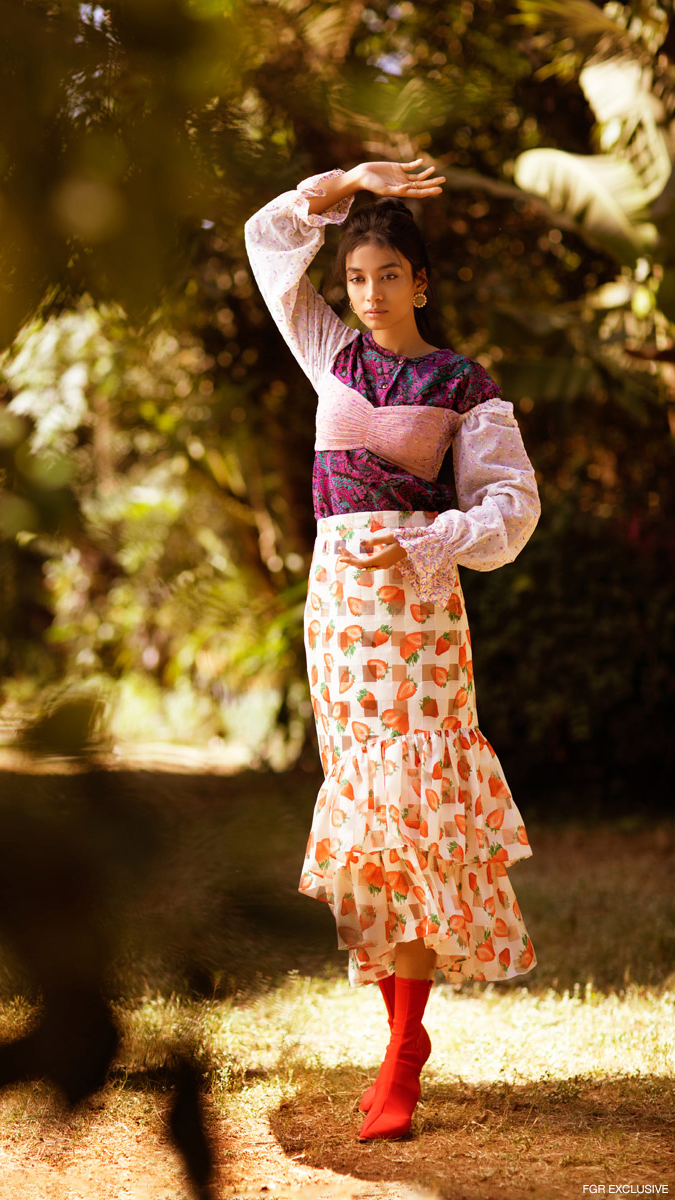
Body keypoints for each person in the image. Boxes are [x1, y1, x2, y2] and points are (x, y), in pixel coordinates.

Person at [244, 160, 540, 1141]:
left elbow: (510, 504)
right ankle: (399, 1039)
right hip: (338, 616)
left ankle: (402, 1055)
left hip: (415, 621)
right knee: (368, 832)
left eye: (386, 275)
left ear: (420, 282)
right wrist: (339, 184)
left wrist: (434, 537)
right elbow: (266, 243)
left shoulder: (460, 384)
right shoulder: (329, 353)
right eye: (357, 276)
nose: (367, 292)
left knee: (414, 819)